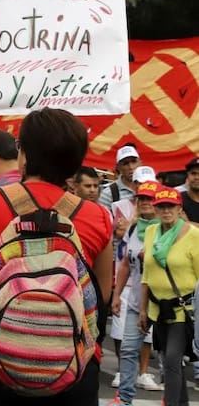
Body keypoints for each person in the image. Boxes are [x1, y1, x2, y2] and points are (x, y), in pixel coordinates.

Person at [0, 107, 114, 406]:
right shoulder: (98, 217)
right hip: (72, 365)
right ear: (76, 163)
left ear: (24, 155)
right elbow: (100, 296)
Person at [139, 186, 199, 406]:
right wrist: (143, 309)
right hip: (158, 309)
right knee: (169, 360)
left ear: (179, 208)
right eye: (161, 206)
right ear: (155, 209)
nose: (166, 211)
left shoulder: (194, 235)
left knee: (172, 360)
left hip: (184, 309)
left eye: (170, 206)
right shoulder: (152, 232)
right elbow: (146, 273)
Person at [107, 180, 162, 406]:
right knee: (129, 350)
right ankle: (125, 398)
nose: (146, 203)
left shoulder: (170, 228)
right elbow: (125, 265)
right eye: (142, 199)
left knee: (170, 357)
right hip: (135, 300)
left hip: (163, 303)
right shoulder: (132, 227)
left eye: (151, 199)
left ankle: (173, 399)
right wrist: (116, 295)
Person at [102, 144, 140, 210]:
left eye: (133, 161)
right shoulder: (108, 193)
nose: (131, 167)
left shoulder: (152, 187)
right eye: (125, 163)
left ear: (140, 163)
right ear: (118, 167)